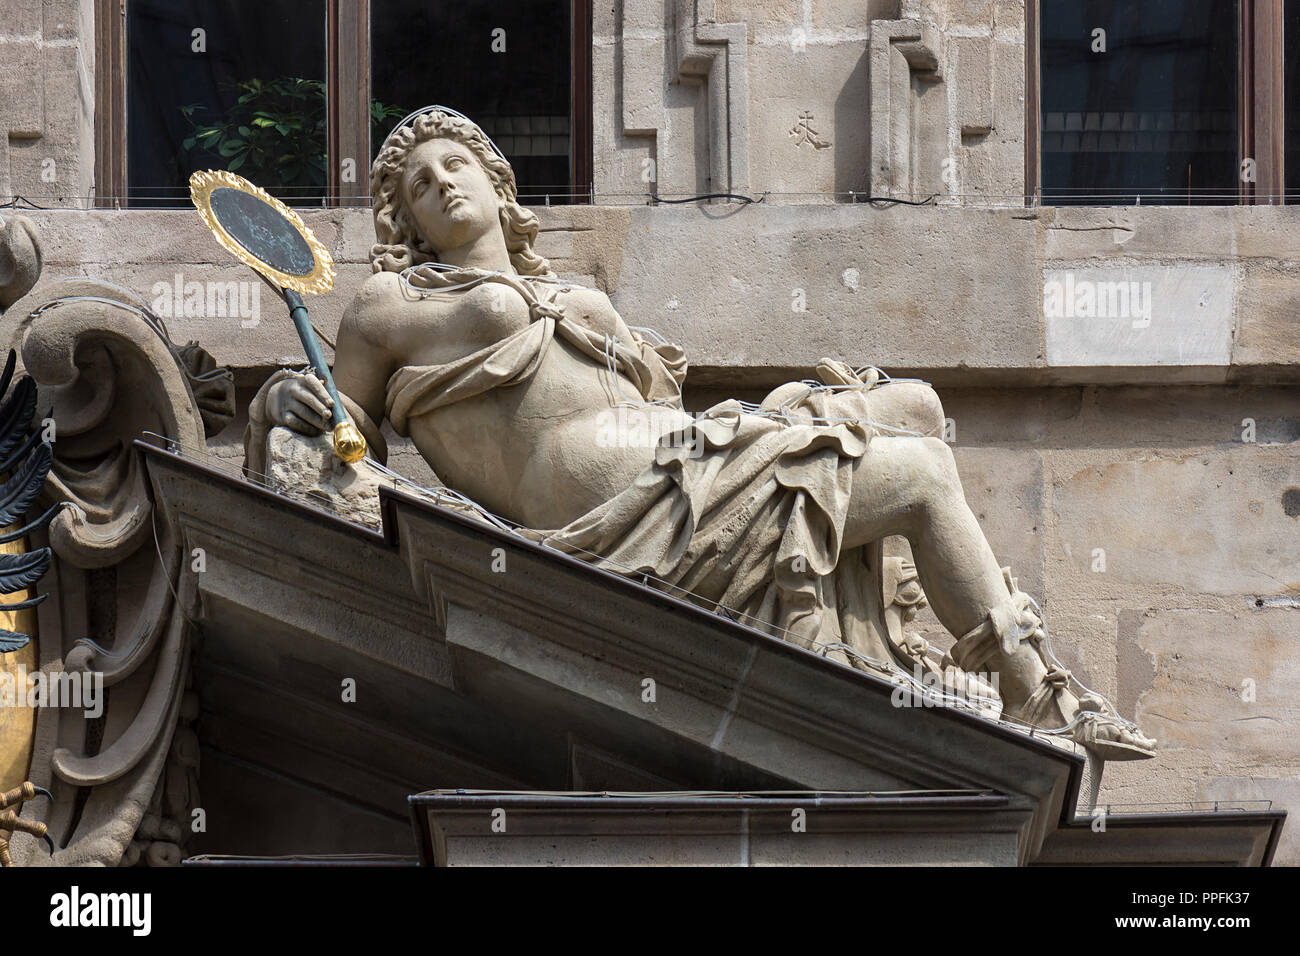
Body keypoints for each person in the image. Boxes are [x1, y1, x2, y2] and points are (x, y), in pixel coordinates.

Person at [245, 107, 1155, 760]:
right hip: (611, 492)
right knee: (914, 478)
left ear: (496, 181)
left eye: (456, 165)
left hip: (676, 448)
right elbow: (342, 417)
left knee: (912, 407)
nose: (441, 183)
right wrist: (289, 398)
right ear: (402, 220)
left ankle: (936, 665)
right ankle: (1035, 694)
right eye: (417, 183)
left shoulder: (566, 292)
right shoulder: (388, 303)